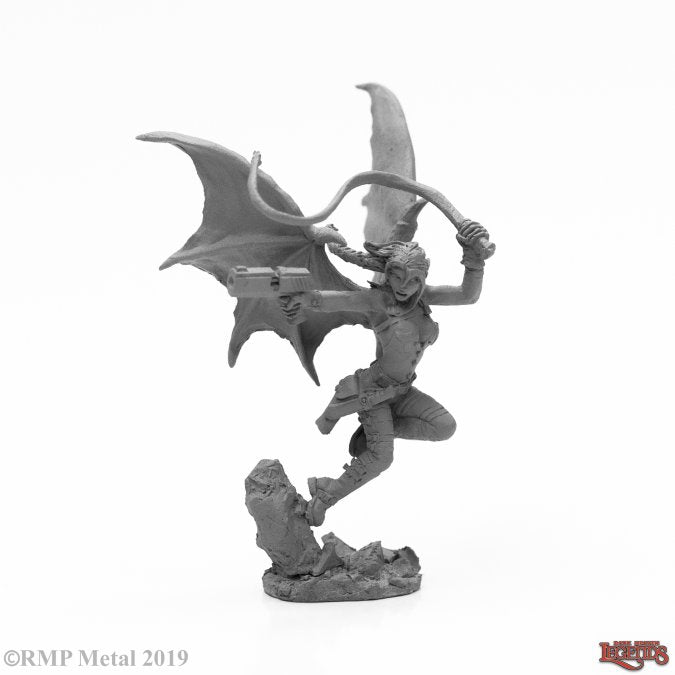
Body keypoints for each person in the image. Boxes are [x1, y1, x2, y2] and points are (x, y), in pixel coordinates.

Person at [279, 219, 490, 525]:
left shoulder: (423, 299)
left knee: (444, 426)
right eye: (397, 276)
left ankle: (378, 433)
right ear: (388, 274)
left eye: (413, 280)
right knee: (381, 459)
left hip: (403, 390)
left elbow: (468, 295)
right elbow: (331, 300)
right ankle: (325, 496)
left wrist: (474, 259)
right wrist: (300, 300)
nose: (404, 287)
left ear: (422, 279)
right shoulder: (378, 301)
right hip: (374, 391)